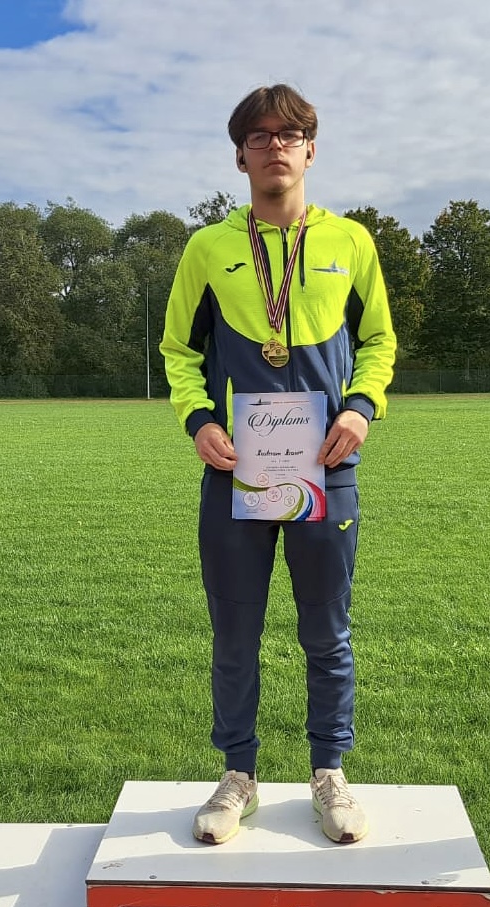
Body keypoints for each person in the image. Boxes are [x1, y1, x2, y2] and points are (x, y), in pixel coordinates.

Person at [161, 85, 396, 846]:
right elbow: (177, 350)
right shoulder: (207, 248)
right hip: (236, 469)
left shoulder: (350, 242)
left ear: (310, 150)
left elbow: (379, 341)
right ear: (240, 156)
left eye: (288, 134)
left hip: (327, 464)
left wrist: (360, 408)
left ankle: (329, 771)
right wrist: (199, 420)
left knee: (327, 631)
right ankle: (237, 773)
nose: (274, 147)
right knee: (235, 632)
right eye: (258, 137)